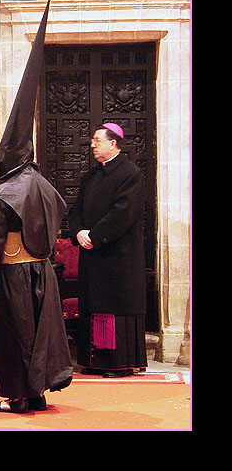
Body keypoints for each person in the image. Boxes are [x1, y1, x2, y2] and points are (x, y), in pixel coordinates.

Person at [0, 0, 73, 414]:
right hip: (42, 272)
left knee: (15, 334)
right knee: (41, 333)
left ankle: (18, 396)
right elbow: (61, 213)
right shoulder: (43, 185)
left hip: (14, 273)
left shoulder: (3, 192)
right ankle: (37, 391)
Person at [68, 122, 147, 377]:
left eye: (97, 140)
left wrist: (95, 235)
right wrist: (79, 232)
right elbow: (76, 210)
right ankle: (94, 361)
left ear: (113, 143)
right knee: (93, 306)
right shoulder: (91, 175)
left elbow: (122, 214)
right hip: (92, 253)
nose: (92, 144)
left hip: (118, 255)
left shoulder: (130, 173)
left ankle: (117, 364)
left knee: (115, 308)